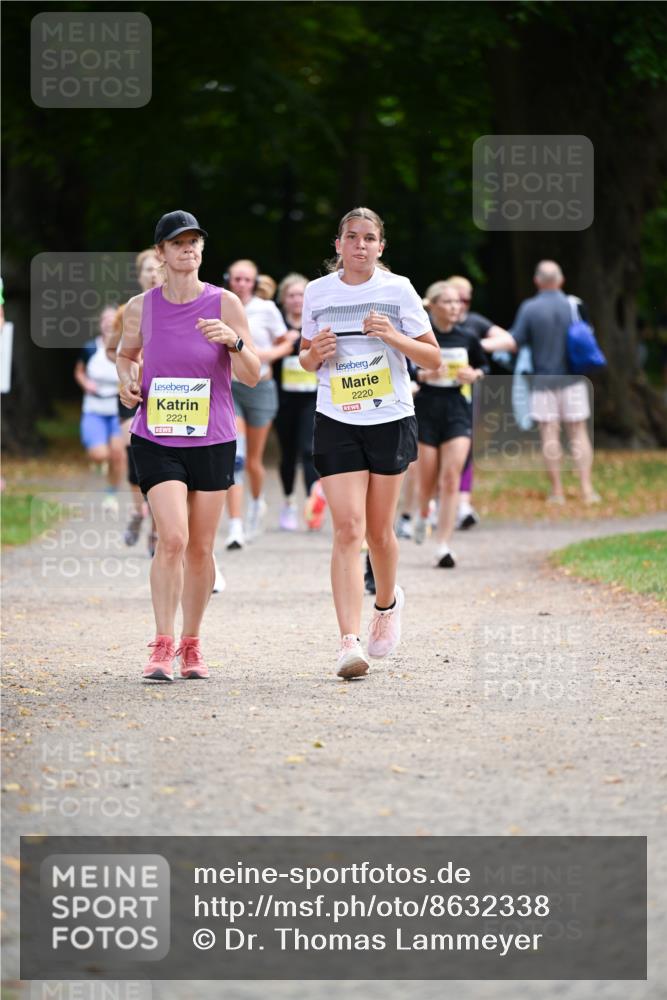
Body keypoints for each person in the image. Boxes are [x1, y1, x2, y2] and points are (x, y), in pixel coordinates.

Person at [116, 211, 260, 682]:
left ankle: (191, 644)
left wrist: (235, 343)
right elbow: (125, 354)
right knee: (172, 538)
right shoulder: (142, 306)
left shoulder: (225, 304)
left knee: (200, 547)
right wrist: (126, 382)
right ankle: (161, 644)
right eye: (178, 243)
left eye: (195, 241)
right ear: (161, 252)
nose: (189, 249)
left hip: (213, 437)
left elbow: (253, 375)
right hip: (156, 436)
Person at [299, 207, 440, 679]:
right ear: (337, 245)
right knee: (347, 529)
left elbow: (434, 359)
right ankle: (347, 642)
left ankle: (386, 603)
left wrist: (394, 337)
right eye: (351, 237)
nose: (360, 245)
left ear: (381, 247)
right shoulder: (317, 293)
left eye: (369, 238)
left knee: (379, 532)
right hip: (336, 416)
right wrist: (314, 354)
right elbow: (305, 358)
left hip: (389, 417)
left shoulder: (398, 289)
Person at [481, 260, 600, 504]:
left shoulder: (530, 308)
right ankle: (587, 490)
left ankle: (557, 492)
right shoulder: (574, 305)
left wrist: (480, 345)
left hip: (543, 381)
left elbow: (515, 341)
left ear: (537, 281)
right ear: (561, 280)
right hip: (573, 380)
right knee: (578, 434)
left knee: (550, 436)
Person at [413, 282, 489, 567]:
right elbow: (406, 370)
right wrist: (424, 377)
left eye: (458, 302)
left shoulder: (467, 337)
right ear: (432, 306)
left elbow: (485, 366)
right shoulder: (419, 337)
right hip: (426, 410)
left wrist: (475, 374)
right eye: (448, 302)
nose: (455, 307)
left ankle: (443, 545)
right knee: (426, 482)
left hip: (457, 409)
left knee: (450, 478)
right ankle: (422, 513)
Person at [223, 259, 295, 547]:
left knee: (253, 460)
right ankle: (235, 526)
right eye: (237, 279)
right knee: (236, 457)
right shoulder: (221, 304)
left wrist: (262, 356)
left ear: (254, 282)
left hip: (261, 387)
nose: (241, 284)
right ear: (229, 279)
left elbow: (286, 343)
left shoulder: (266, 309)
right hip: (230, 387)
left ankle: (256, 502)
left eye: (247, 280)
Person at [447, 275, 510, 530]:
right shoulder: (432, 324)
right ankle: (429, 505)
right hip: (432, 396)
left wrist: (474, 346)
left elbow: (508, 339)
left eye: (467, 299)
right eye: (457, 298)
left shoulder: (474, 323)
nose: (462, 304)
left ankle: (463, 504)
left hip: (466, 393)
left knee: (466, 447)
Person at [273, 272, 327, 531]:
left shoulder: (315, 323)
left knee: (308, 449)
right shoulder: (277, 325)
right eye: (292, 295)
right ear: (284, 299)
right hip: (283, 399)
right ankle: (287, 503)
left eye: (301, 295)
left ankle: (310, 503)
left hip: (310, 398)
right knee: (288, 453)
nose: (297, 300)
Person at [74, 306, 126, 511]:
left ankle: (111, 495)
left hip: (117, 410)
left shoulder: (126, 348)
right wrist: (86, 383)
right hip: (94, 410)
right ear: (100, 323)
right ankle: (100, 462)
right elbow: (79, 372)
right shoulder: (90, 348)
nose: (108, 322)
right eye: (105, 319)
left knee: (118, 454)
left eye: (112, 319)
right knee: (99, 455)